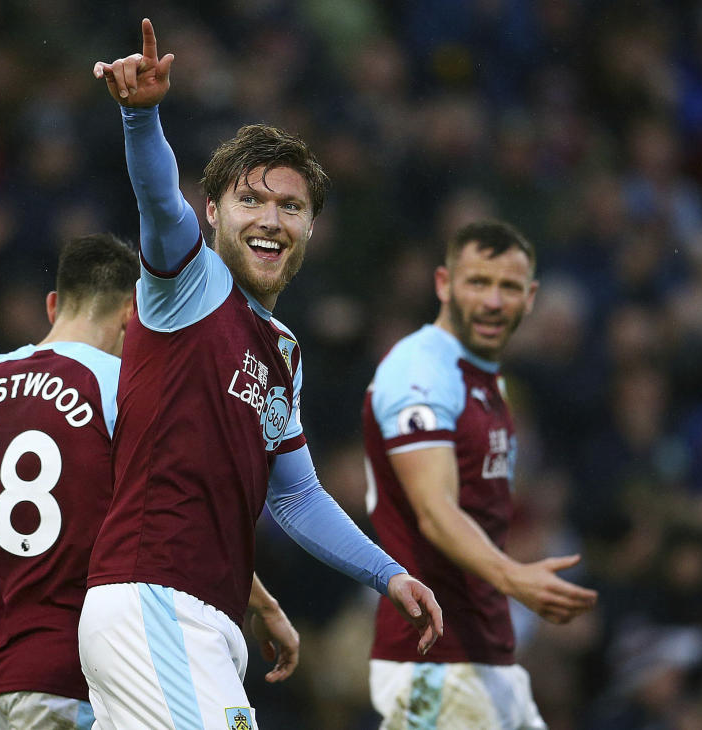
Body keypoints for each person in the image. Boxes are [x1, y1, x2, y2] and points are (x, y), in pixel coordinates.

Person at [79, 19, 442, 730]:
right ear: (213, 213)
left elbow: (297, 497)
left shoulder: (281, 351)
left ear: (311, 228)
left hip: (204, 620)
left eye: (291, 206)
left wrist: (389, 573)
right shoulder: (190, 283)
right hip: (156, 600)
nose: (271, 218)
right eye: (251, 200)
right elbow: (157, 197)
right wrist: (141, 114)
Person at [0, 234, 300, 730]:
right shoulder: (120, 387)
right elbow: (175, 515)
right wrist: (263, 603)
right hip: (78, 668)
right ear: (135, 310)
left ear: (53, 305)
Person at [362, 220, 599, 729]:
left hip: (485, 656)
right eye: (477, 282)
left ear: (530, 296)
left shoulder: (488, 381)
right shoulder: (421, 373)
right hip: (434, 658)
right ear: (444, 284)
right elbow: (433, 510)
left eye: (508, 286)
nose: (493, 301)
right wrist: (515, 578)